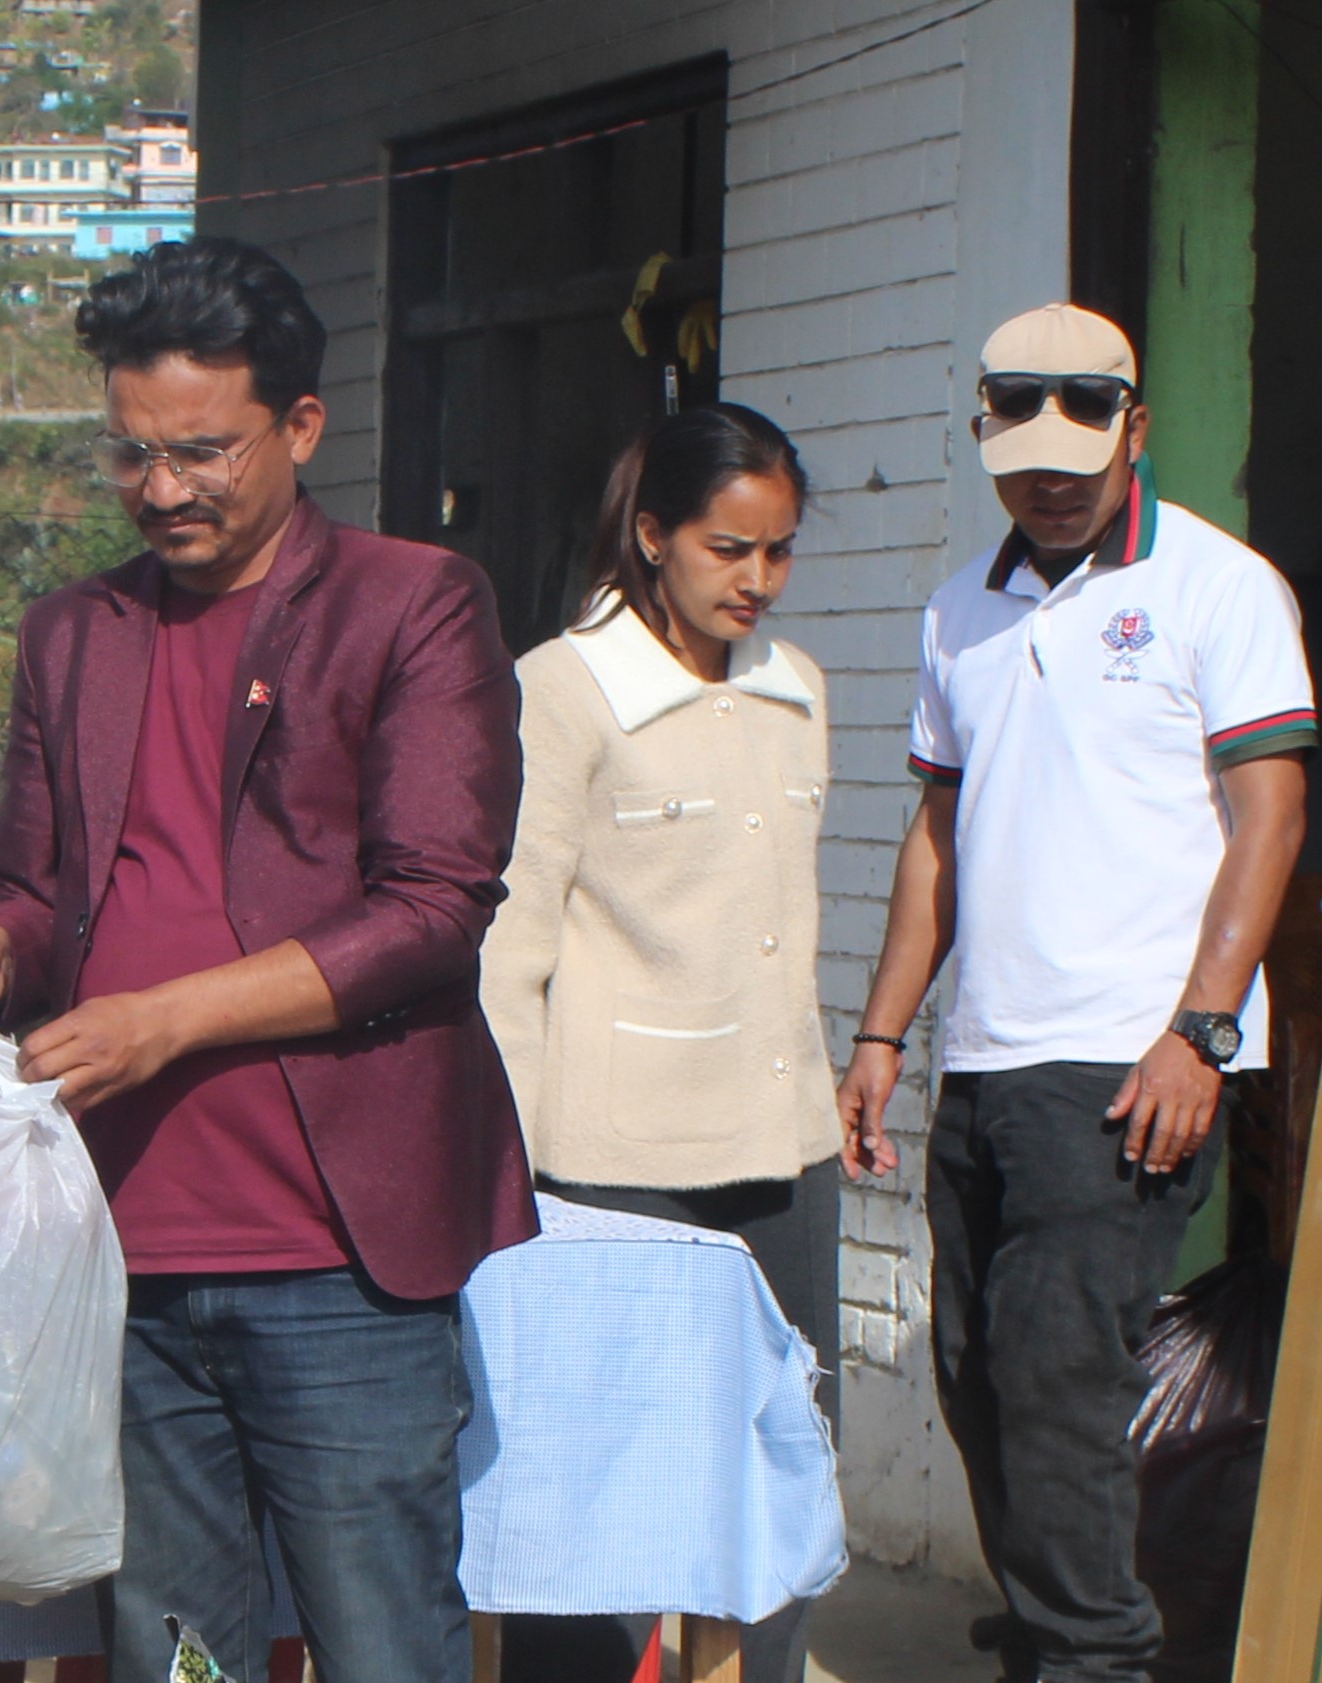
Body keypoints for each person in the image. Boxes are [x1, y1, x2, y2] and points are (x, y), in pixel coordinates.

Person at [0, 237, 537, 1683]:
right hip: (119, 1240)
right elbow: (38, 889)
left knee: (380, 1640)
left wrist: (161, 1022)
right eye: (131, 452)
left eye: (203, 452)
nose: (164, 488)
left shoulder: (413, 601)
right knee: (174, 1647)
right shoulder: (75, 632)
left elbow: (433, 906)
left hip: (335, 1251)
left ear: (299, 427)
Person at [839, 302, 1311, 1683]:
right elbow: (940, 837)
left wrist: (1204, 1030)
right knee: (980, 1375)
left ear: (1136, 430)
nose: (1049, 474)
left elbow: (1269, 819)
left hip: (1129, 1059)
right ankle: (1054, 1641)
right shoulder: (958, 608)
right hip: (986, 1057)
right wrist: (881, 1031)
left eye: (1081, 441)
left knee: (1058, 1379)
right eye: (1022, 443)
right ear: (984, 431)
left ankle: (1092, 1661)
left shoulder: (1220, 588)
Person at [480, 403, 835, 1683]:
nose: (755, 579)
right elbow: (508, 945)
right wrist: (505, 1166)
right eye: (727, 548)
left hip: (783, 1150)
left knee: (778, 1475)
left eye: (778, 551)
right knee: (599, 1507)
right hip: (612, 1163)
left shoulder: (799, 694)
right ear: (651, 535)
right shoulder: (564, 690)